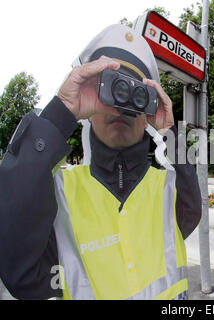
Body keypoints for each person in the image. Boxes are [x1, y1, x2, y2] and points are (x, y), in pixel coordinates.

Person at [0, 24, 202, 300]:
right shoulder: (56, 193)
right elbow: (17, 264)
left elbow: (192, 206)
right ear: (88, 112)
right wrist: (61, 113)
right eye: (109, 89)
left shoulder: (167, 188)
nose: (122, 106)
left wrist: (169, 132)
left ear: (148, 113)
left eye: (136, 98)